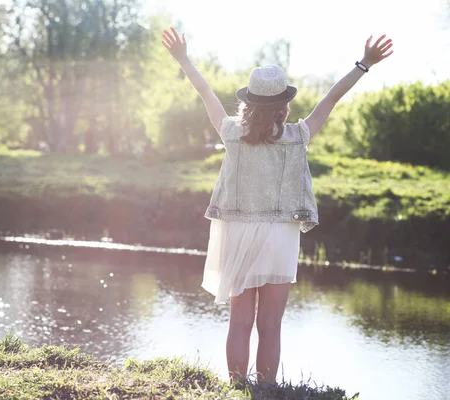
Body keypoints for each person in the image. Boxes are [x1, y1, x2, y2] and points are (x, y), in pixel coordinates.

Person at [162, 27, 393, 383]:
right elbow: (330, 99)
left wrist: (183, 58)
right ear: (284, 106)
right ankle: (266, 390)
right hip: (280, 238)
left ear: (248, 103)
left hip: (239, 232)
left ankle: (238, 388)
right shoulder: (297, 136)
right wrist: (364, 64)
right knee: (271, 326)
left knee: (239, 322)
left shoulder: (231, 133)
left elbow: (205, 92)